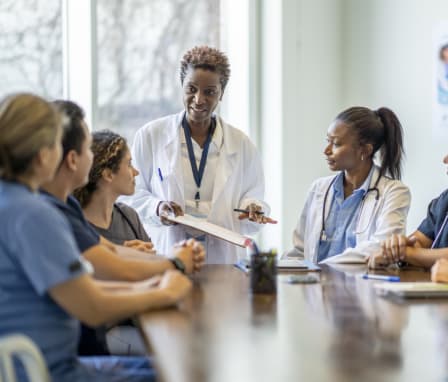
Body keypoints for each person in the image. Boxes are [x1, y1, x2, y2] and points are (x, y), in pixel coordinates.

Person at [0, 93, 192, 382]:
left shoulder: (13, 201)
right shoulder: (33, 214)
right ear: (43, 156)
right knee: (178, 373)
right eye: (56, 143)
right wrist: (164, 292)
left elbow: (82, 289)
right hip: (51, 372)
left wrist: (151, 285)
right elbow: (91, 307)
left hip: (41, 365)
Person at [41, 99, 204, 356]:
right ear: (73, 159)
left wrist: (158, 277)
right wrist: (173, 270)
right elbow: (94, 295)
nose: (93, 157)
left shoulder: (64, 207)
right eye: (89, 150)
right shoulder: (44, 214)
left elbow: (108, 258)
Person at [124, 45, 275, 264]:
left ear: (221, 93)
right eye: (191, 89)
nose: (199, 99)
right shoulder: (151, 136)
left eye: (209, 92)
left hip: (222, 258)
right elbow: (131, 195)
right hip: (168, 250)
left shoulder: (241, 145)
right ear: (181, 87)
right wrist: (157, 208)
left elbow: (253, 197)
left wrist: (252, 208)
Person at [285, 106, 411, 263]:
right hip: (316, 285)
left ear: (364, 150)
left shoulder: (394, 193)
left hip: (362, 285)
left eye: (336, 144)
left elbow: (381, 248)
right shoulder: (319, 189)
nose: (326, 150)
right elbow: (300, 250)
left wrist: (320, 267)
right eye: (328, 141)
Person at [74, 130, 151, 250]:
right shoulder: (75, 225)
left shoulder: (129, 216)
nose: (136, 172)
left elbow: (155, 263)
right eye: (129, 164)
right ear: (108, 174)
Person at [369, 153, 448, 270]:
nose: (445, 159)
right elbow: (419, 241)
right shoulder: (444, 201)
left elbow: (411, 252)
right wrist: (397, 246)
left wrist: (406, 254)